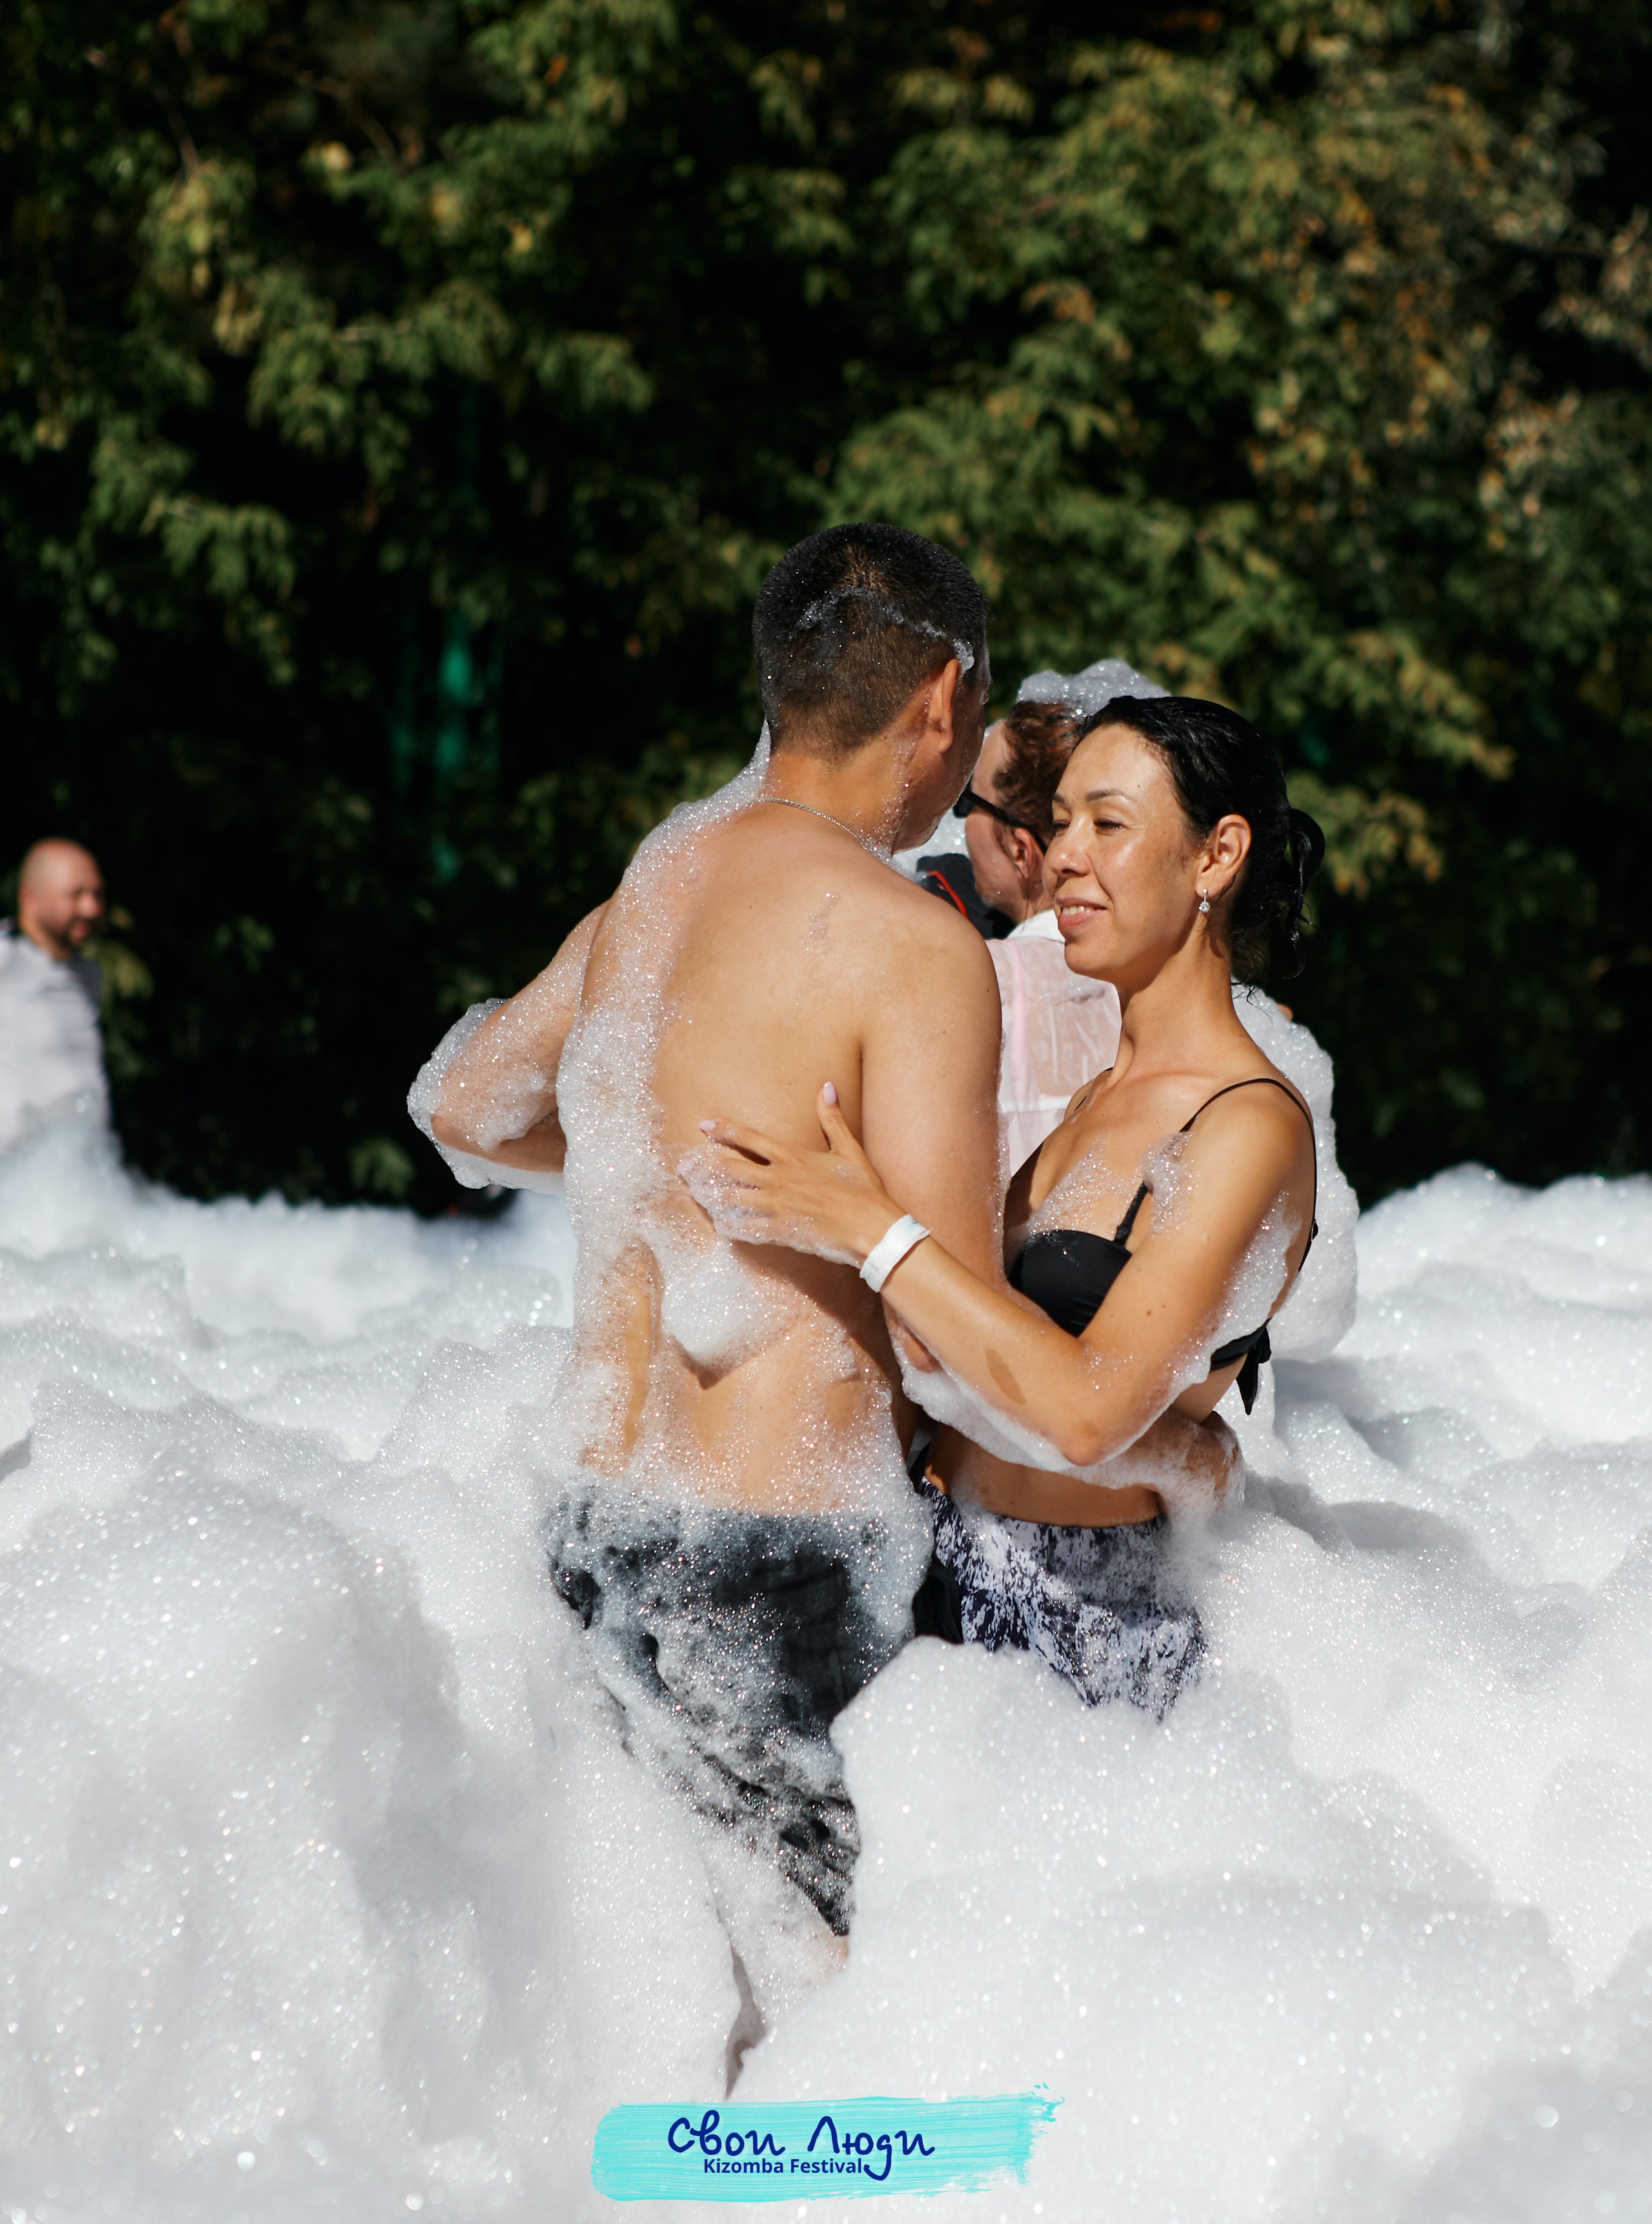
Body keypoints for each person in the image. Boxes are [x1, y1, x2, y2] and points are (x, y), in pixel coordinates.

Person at [414, 525, 1234, 2008]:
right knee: (846, 2034)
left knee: (649, 2018)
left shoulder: (656, 885)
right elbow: (945, 1350)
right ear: (942, 701)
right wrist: (1170, 1447)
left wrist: (657, 1164)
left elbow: (463, 1106)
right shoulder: (903, 942)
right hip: (778, 1559)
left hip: (585, 1524)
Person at [683, 694, 1325, 1719]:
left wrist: (870, 1228)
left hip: (1080, 1631)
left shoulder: (1248, 1126)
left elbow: (1085, 1412)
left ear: (1218, 856)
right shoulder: (1093, 1100)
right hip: (940, 1565)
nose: (1065, 856)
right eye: (1061, 823)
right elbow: (983, 1353)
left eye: (1108, 824)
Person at [960, 696, 1122, 1175]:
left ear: (1020, 848)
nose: (961, 824)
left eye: (970, 803)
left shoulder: (969, 980)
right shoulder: (1168, 982)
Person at [0, 838, 110, 1155]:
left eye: (97, 895)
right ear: (29, 898)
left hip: (82, 1169)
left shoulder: (89, 976)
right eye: (76, 895)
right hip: (16, 1169)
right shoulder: (6, 958)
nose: (91, 909)